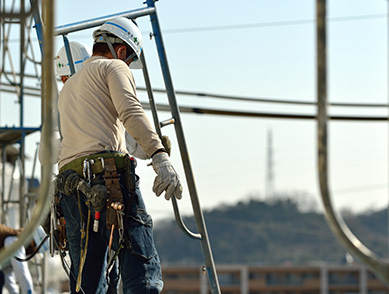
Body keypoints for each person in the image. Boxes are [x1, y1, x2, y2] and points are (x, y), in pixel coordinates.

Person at [55, 17, 183, 294]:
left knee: (88, 281)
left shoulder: (68, 89)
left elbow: (93, 136)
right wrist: (159, 155)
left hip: (71, 187)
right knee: (140, 263)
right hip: (108, 177)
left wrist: (143, 145)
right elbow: (130, 112)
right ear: (122, 51)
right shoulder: (113, 67)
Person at [0, 224, 35, 294]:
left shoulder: (11, 239)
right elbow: (22, 272)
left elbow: (7, 274)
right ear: (32, 242)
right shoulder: (14, 241)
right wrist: (29, 292)